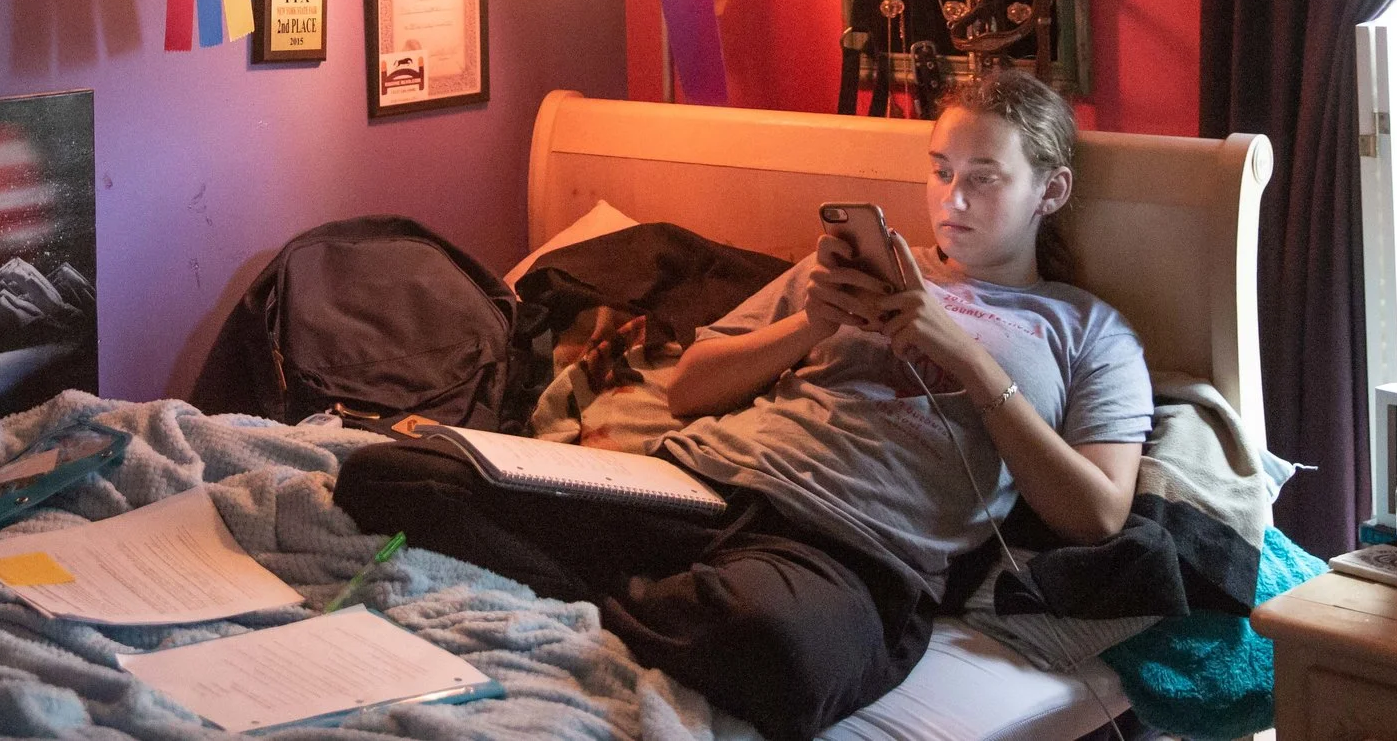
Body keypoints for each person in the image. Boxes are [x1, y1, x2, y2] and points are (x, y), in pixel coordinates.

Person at [334, 69, 1154, 741]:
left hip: (850, 549)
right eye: (941, 169)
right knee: (390, 473)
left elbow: (1098, 512)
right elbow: (688, 388)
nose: (952, 199)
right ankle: (646, 589)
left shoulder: (1087, 331)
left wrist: (967, 356)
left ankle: (593, 584)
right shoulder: (858, 270)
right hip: (701, 482)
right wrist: (811, 322)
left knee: (782, 658)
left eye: (984, 179)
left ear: (1052, 190)